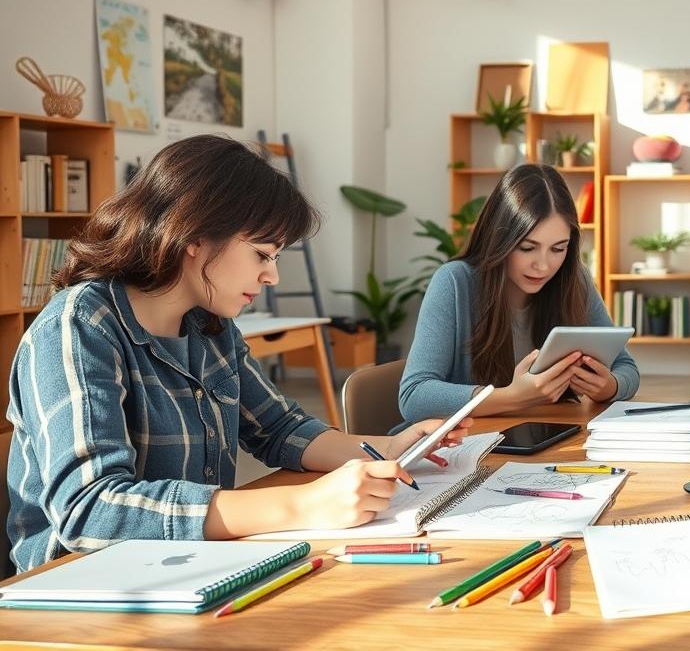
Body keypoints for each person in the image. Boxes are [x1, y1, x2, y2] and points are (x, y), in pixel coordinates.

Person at [6, 135, 470, 573]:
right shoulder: (78, 328)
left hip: (187, 565)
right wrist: (301, 504)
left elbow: (278, 428)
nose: (272, 277)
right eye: (263, 255)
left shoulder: (209, 324)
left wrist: (390, 448)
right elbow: (90, 511)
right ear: (196, 237)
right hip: (78, 587)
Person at [400, 164, 638, 420]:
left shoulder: (573, 279)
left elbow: (627, 369)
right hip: (464, 449)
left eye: (558, 249)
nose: (543, 265)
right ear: (499, 239)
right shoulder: (454, 282)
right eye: (527, 248)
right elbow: (414, 396)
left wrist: (608, 387)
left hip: (539, 438)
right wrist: (512, 398)